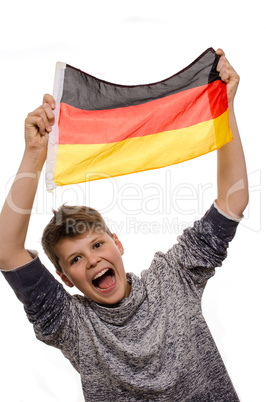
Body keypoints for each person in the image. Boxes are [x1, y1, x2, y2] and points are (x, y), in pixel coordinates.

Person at [0, 49, 248, 401]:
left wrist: (224, 109)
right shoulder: (73, 326)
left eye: (98, 245)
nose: (92, 261)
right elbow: (6, 251)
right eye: (75, 259)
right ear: (66, 279)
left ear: (117, 242)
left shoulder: (173, 277)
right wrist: (34, 154)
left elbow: (232, 202)